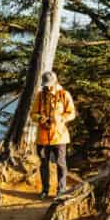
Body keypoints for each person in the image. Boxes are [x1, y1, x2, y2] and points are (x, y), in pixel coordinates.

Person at [30, 70, 76, 198]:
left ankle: (61, 190)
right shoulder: (40, 95)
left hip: (59, 137)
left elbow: (71, 113)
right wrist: (40, 118)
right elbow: (32, 114)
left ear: (55, 81)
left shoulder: (64, 94)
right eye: (45, 84)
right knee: (43, 164)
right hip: (43, 138)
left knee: (61, 164)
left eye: (49, 84)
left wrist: (60, 118)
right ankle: (45, 190)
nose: (47, 87)